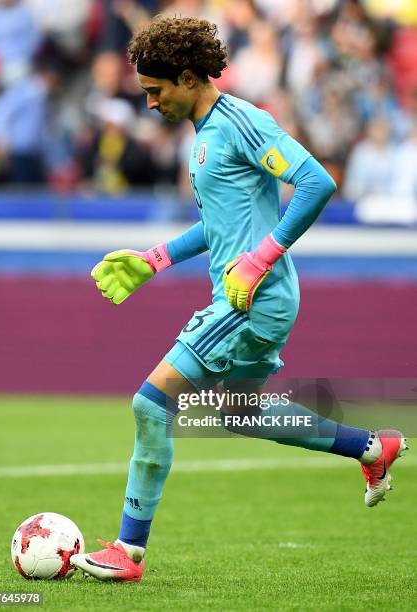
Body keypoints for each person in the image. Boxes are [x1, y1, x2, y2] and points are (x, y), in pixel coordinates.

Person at [70, 16, 407, 582]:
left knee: (151, 403)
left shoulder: (241, 122)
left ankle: (127, 554)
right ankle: (372, 448)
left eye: (155, 91)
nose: (150, 105)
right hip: (254, 292)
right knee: (240, 411)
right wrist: (155, 259)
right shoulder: (205, 137)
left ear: (185, 76)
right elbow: (221, 226)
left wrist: (259, 260)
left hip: (252, 298)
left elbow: (317, 182)